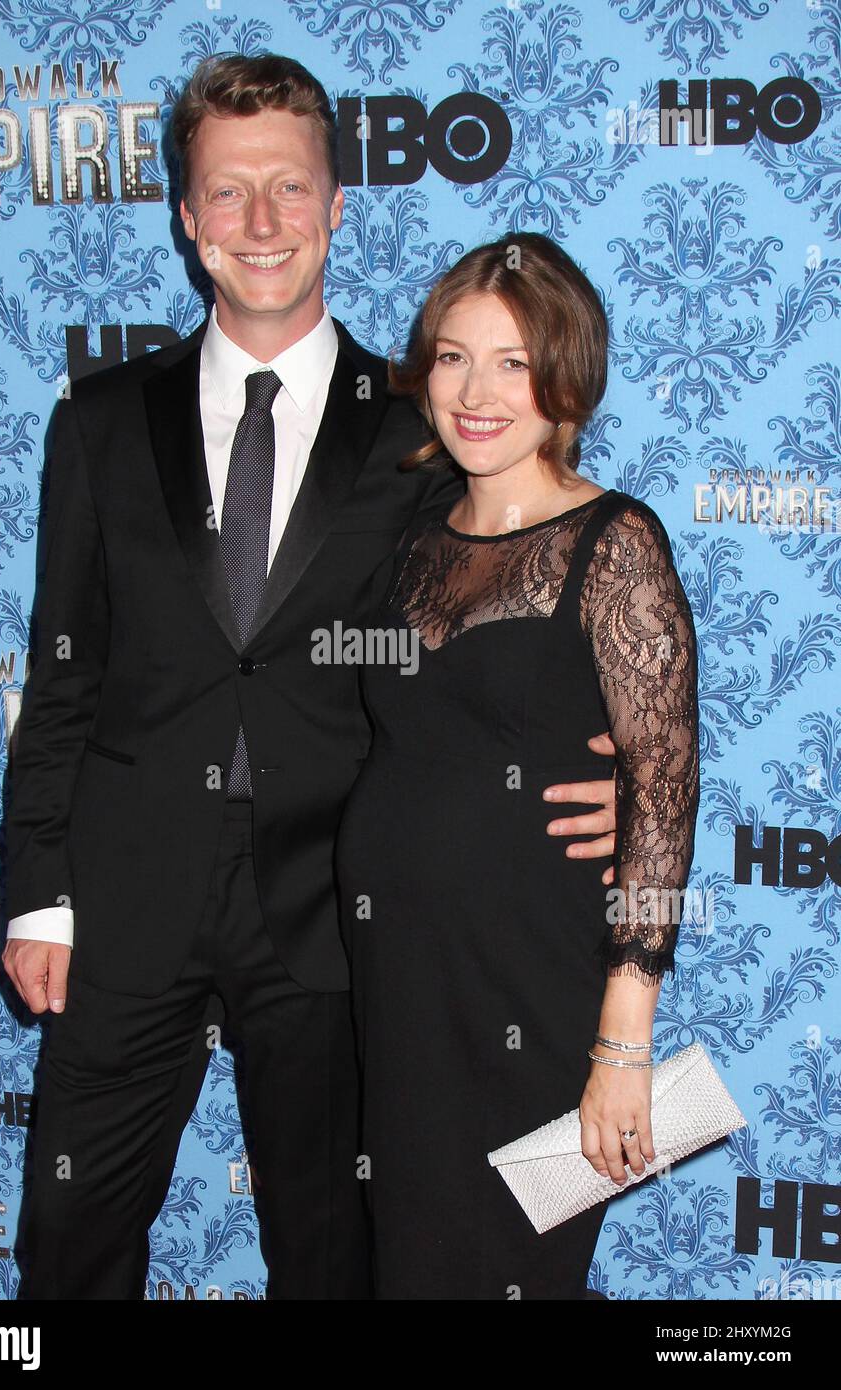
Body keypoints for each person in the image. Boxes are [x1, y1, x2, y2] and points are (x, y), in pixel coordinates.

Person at [0, 54, 619, 1300]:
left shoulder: (429, 427)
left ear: (339, 204)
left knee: (333, 1261)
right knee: (68, 1252)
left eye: (291, 188)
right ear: (187, 217)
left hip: (342, 912)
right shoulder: (101, 420)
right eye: (230, 194)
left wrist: (597, 781)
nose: (263, 224)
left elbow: (513, 620)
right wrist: (37, 892)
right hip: (123, 900)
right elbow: (60, 668)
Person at [336, 232, 701, 1300]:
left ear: (567, 377)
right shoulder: (408, 536)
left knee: (512, 1269)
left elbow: (665, 785)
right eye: (453, 357)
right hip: (398, 984)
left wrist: (620, 1047)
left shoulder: (614, 541)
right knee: (414, 1267)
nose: (477, 390)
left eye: (512, 361)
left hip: (532, 985)